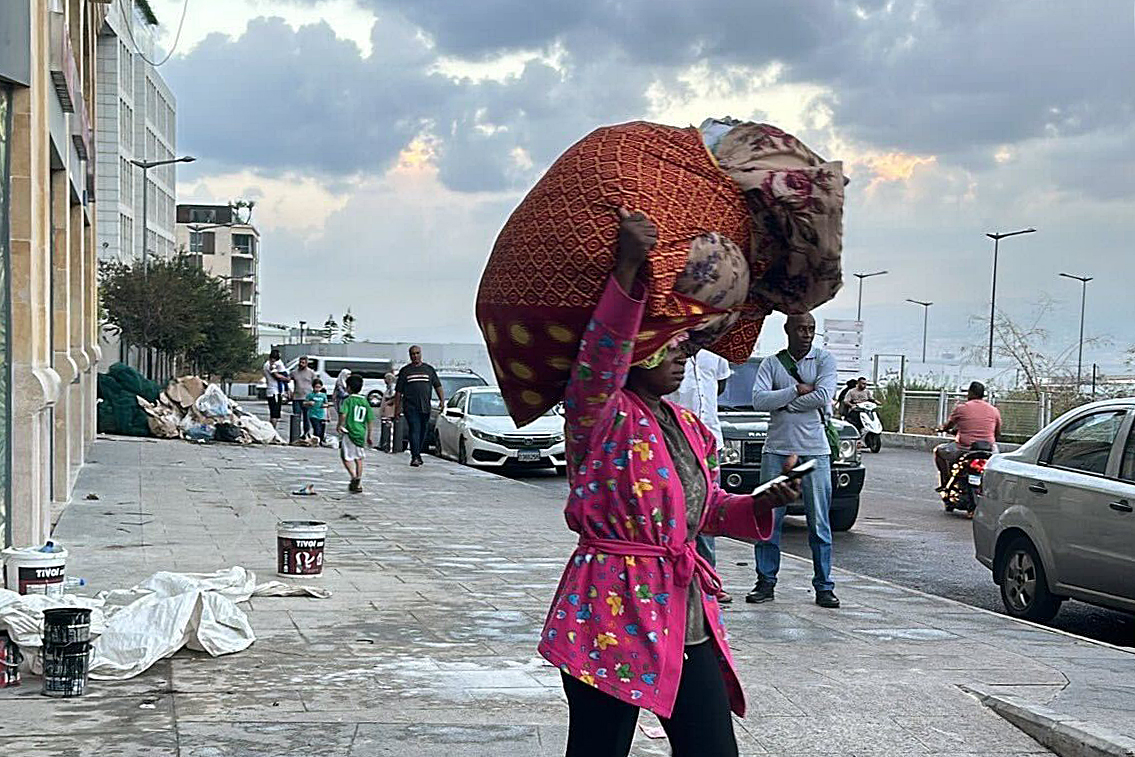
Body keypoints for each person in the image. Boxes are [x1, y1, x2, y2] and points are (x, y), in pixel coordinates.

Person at [540, 207, 800, 757]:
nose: (683, 356)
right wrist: (628, 270)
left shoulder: (687, 427)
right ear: (635, 354)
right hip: (609, 607)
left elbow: (703, 510)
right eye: (670, 347)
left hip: (683, 613)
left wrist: (760, 500)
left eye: (684, 346)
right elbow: (599, 354)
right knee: (598, 750)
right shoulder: (599, 414)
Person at [747, 313, 841, 609]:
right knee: (769, 520)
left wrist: (783, 402)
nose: (807, 334)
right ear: (788, 330)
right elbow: (759, 401)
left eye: (811, 329)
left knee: (819, 522)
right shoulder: (772, 363)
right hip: (776, 449)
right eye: (801, 328)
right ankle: (765, 581)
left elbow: (824, 395)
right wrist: (796, 391)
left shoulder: (824, 360)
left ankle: (824, 586)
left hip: (815, 451)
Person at [667, 348, 734, 603]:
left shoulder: (716, 352)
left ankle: (708, 581)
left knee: (707, 511)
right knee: (677, 512)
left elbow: (719, 385)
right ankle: (678, 577)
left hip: (710, 441)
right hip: (677, 440)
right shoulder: (673, 349)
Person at [934, 381, 1001, 490]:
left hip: (964, 448)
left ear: (970, 393)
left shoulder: (962, 408)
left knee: (938, 451)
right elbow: (997, 432)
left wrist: (942, 429)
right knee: (995, 465)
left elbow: (948, 425)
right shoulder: (994, 410)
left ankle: (946, 483)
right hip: (989, 450)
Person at [394, 346, 444, 467]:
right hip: (410, 407)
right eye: (412, 354)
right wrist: (397, 408)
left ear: (421, 354)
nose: (415, 356)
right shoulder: (405, 371)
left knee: (423, 431)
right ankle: (415, 456)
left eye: (417, 353)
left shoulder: (429, 370)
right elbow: (399, 392)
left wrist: (442, 400)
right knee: (414, 429)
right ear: (409, 356)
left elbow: (437, 386)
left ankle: (418, 453)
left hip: (425, 407)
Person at [336, 374, 373, 493]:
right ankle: (359, 479)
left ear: (349, 388)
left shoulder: (348, 400)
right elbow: (370, 420)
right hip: (361, 432)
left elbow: (343, 414)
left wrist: (340, 425)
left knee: (345, 456)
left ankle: (353, 476)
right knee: (359, 458)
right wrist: (369, 436)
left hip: (350, 431)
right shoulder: (365, 402)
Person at [291, 356, 317, 438]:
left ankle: (306, 433)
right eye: (300, 362)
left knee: (307, 417)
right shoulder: (294, 372)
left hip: (307, 398)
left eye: (303, 363)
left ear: (306, 363)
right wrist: (288, 391)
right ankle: (296, 434)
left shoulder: (311, 373)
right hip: (297, 397)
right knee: (296, 416)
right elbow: (287, 380)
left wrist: (314, 396)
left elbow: (316, 384)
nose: (301, 364)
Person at [262, 350, 289, 430]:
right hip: (274, 391)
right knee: (274, 414)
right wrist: (286, 378)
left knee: (275, 414)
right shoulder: (269, 365)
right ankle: (273, 431)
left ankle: (273, 430)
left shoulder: (273, 364)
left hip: (276, 390)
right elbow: (276, 375)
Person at [305, 378, 329, 446]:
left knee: (322, 430)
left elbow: (327, 404)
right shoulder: (310, 395)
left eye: (319, 387)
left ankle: (319, 441)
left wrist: (325, 405)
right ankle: (316, 441)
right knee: (317, 429)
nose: (317, 389)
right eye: (316, 387)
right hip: (313, 414)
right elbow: (304, 403)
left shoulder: (323, 395)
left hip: (321, 415)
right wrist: (309, 403)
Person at [379, 372, 398, 453]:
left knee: (388, 427)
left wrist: (388, 402)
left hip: (389, 410)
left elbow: (393, 396)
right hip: (387, 409)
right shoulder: (389, 387)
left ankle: (387, 445)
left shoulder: (392, 387)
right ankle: (383, 443)